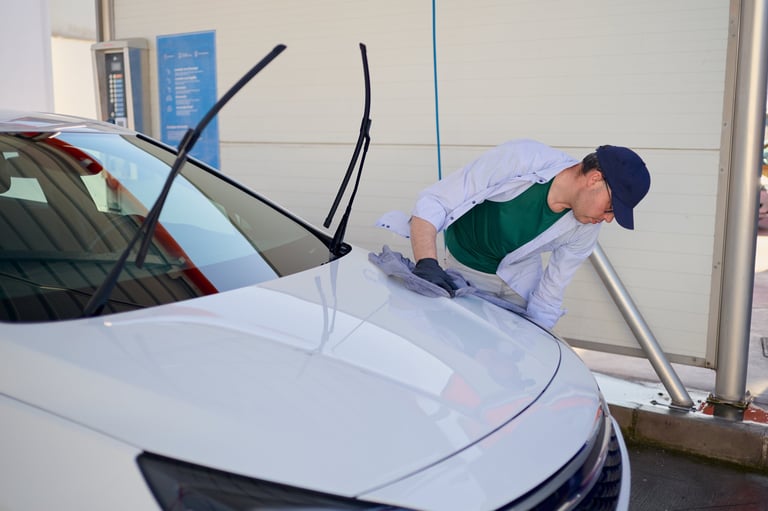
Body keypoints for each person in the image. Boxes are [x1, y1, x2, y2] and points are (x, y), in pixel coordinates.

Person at [376, 139, 650, 329]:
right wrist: (427, 262)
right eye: (611, 207)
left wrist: (537, 339)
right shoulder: (523, 159)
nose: (609, 219)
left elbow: (551, 291)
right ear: (594, 179)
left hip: (519, 280)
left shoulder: (586, 227)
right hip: (468, 268)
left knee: (506, 361)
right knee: (466, 347)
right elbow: (436, 201)